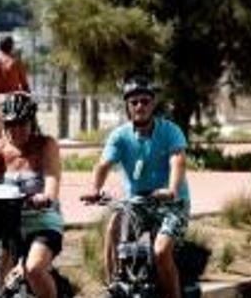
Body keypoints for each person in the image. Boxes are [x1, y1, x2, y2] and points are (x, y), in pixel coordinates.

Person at [81, 75, 190, 298]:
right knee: (113, 226)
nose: (140, 105)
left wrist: (171, 189)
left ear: (153, 103)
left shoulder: (170, 130)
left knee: (160, 252)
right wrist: (95, 189)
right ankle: (113, 284)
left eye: (145, 101)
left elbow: (177, 160)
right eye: (134, 102)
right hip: (137, 202)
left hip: (171, 203)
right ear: (128, 106)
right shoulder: (120, 136)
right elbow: (104, 164)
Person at [0, 92, 64, 298]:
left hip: (42, 221)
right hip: (5, 223)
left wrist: (47, 197)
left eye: (21, 124)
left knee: (34, 269)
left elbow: (52, 176)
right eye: (10, 125)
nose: (15, 130)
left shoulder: (46, 145)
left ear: (32, 123)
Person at [0, 36, 31, 144]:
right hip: (11, 99)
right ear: (11, 47)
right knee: (13, 139)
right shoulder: (15, 63)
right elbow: (26, 87)